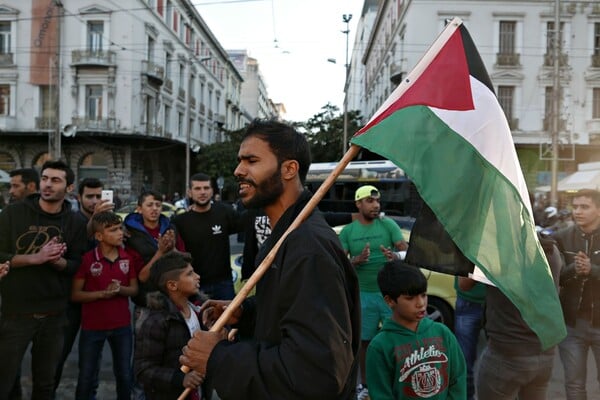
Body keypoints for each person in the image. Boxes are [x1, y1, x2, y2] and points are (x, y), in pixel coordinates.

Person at [179, 119, 361, 399]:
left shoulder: (308, 247)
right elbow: (293, 315)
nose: (238, 171)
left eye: (251, 160)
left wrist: (218, 356)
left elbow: (316, 373)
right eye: (240, 161)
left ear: (289, 169)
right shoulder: (286, 236)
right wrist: (249, 312)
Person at [0, 160, 88, 399]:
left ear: (69, 188)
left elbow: (78, 264)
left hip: (54, 316)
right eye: (45, 178)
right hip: (15, 314)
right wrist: (35, 258)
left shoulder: (75, 222)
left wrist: (58, 262)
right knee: (4, 382)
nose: (48, 185)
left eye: (56, 180)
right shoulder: (12, 214)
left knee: (46, 385)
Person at [338, 184, 408, 399]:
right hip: (363, 296)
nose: (376, 205)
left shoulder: (388, 225)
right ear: (358, 204)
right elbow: (339, 263)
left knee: (397, 339)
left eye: (377, 201)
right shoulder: (349, 231)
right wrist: (355, 261)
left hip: (389, 295)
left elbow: (405, 250)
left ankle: (399, 382)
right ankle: (366, 385)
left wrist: (395, 256)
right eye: (370, 201)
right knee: (364, 342)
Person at [475, 234, 562, 400]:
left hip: (507, 353)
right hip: (544, 351)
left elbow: (465, 285)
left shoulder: (497, 252)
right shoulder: (551, 248)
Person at [366, 260, 466, 399]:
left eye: (423, 295)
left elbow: (458, 379)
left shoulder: (443, 333)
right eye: (410, 298)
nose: (420, 303)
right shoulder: (380, 346)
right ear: (389, 301)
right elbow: (381, 394)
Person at [53, 177, 114, 396]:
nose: (95, 201)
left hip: (98, 300)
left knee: (91, 360)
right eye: (90, 196)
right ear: (79, 198)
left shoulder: (108, 222)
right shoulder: (72, 221)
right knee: (58, 354)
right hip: (71, 300)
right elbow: (75, 246)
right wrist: (95, 221)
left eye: (99, 196)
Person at [71, 211, 139, 400]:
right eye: (113, 230)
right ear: (99, 236)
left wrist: (120, 290)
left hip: (122, 327)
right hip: (92, 328)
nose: (120, 233)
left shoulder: (127, 258)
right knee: (86, 376)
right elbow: (75, 295)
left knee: (124, 375)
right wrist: (102, 294)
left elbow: (134, 290)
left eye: (120, 228)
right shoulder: (87, 259)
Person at [134, 251, 206, 400]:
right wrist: (180, 379)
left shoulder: (199, 311)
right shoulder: (157, 321)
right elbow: (143, 370)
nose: (197, 277)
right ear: (172, 285)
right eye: (190, 274)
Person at [553, 189, 600, 400]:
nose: (578, 211)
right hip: (572, 324)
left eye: (585, 206)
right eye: (576, 206)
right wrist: (574, 268)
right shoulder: (562, 238)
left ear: (598, 210)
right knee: (574, 385)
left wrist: (593, 270)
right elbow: (556, 277)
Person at [172, 173, 243, 300]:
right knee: (199, 320)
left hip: (224, 283)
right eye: (197, 189)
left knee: (228, 319)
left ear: (212, 191)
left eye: (206, 188)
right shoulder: (180, 221)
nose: (202, 192)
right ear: (190, 192)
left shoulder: (224, 212)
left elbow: (247, 225)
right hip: (194, 284)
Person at [123, 189, 185, 309]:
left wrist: (173, 250)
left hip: (173, 296)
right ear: (139, 209)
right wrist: (160, 252)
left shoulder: (170, 228)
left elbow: (184, 261)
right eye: (150, 205)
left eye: (158, 205)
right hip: (146, 299)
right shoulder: (131, 235)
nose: (155, 208)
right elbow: (141, 277)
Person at [453, 277, 485, 400]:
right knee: (464, 362)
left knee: (505, 360)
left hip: (499, 302)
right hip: (469, 301)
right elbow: (464, 284)